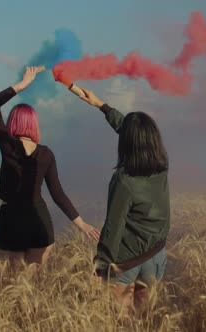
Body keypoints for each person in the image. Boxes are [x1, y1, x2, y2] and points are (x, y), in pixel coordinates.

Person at [0, 67, 100, 272]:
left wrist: (22, 84)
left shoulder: (8, 146)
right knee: (31, 281)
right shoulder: (46, 154)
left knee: (13, 280)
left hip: (11, 217)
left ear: (12, 122)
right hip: (38, 218)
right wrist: (82, 224)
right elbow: (57, 194)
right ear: (34, 125)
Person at [72, 84, 170, 312]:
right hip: (156, 256)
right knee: (144, 320)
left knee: (121, 322)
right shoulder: (162, 165)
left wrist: (101, 267)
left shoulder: (123, 180)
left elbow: (113, 227)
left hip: (125, 263)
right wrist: (101, 106)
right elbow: (133, 134)